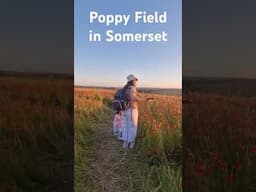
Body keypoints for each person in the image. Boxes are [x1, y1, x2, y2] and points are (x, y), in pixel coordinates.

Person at [121, 74, 140, 149]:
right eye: (135, 80)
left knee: (125, 126)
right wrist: (145, 100)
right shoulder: (132, 88)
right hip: (132, 110)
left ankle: (125, 144)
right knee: (133, 126)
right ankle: (131, 144)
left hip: (124, 110)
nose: (136, 81)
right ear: (132, 80)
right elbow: (133, 98)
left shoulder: (124, 88)